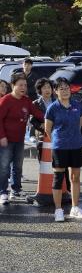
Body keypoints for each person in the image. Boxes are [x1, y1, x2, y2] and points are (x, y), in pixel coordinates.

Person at [44, 77, 82, 221]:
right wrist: (58, 140)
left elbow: (79, 124)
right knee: (58, 178)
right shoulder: (52, 108)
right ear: (55, 91)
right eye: (61, 88)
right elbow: (48, 129)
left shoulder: (77, 105)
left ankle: (75, 208)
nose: (65, 91)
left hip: (76, 145)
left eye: (67, 88)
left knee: (75, 177)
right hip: (59, 147)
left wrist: (72, 137)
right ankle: (58, 210)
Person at [0, 73, 44, 204]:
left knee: (18, 166)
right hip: (6, 140)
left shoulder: (26, 100)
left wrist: (50, 119)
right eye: (20, 85)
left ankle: (16, 189)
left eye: (25, 85)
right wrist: (2, 137)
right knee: (4, 167)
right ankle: (2, 192)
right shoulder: (6, 100)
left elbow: (37, 113)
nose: (23, 87)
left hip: (19, 139)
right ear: (13, 85)